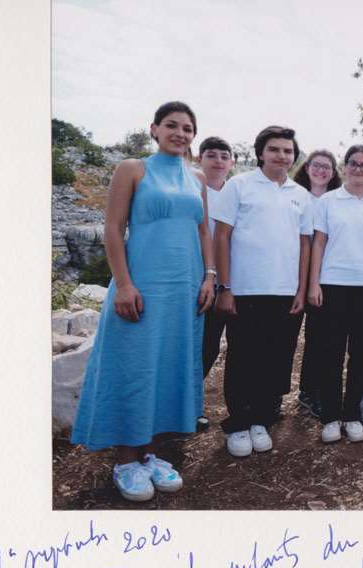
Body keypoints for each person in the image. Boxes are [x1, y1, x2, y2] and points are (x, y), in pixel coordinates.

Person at [71, 101, 215, 501]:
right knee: (133, 367)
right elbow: (114, 229)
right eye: (172, 125)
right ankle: (125, 460)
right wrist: (123, 284)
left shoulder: (197, 177)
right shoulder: (133, 169)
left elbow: (204, 233)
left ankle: (150, 454)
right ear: (153, 129)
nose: (180, 133)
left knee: (167, 367)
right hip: (141, 286)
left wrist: (210, 276)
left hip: (184, 290)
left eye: (188, 128)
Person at [214, 126, 312, 458]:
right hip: (245, 289)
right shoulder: (239, 186)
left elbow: (304, 244)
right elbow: (221, 237)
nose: (282, 156)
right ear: (261, 153)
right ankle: (238, 422)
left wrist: (301, 288)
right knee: (243, 356)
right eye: (275, 149)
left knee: (277, 356)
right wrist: (225, 287)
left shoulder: (301, 195)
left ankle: (262, 418)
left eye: (287, 151)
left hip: (285, 291)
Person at [307, 145, 363, 444]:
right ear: (344, 167)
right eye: (353, 164)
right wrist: (314, 283)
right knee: (330, 353)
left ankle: (351, 415)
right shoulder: (329, 201)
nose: (358, 169)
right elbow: (318, 244)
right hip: (332, 285)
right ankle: (331, 417)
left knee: (362, 354)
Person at [293, 150, 342, 420]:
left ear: (334, 173)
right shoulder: (295, 195)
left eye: (327, 167)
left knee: (320, 337)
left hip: (326, 277)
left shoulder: (337, 200)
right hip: (293, 272)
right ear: (307, 167)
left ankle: (312, 391)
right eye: (317, 165)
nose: (322, 171)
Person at [195, 136, 234, 432]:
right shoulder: (192, 190)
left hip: (231, 283)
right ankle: (187, 405)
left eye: (224, 155)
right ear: (199, 159)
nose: (218, 160)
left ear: (231, 163)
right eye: (211, 155)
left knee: (219, 347)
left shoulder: (236, 193)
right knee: (197, 346)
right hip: (197, 281)